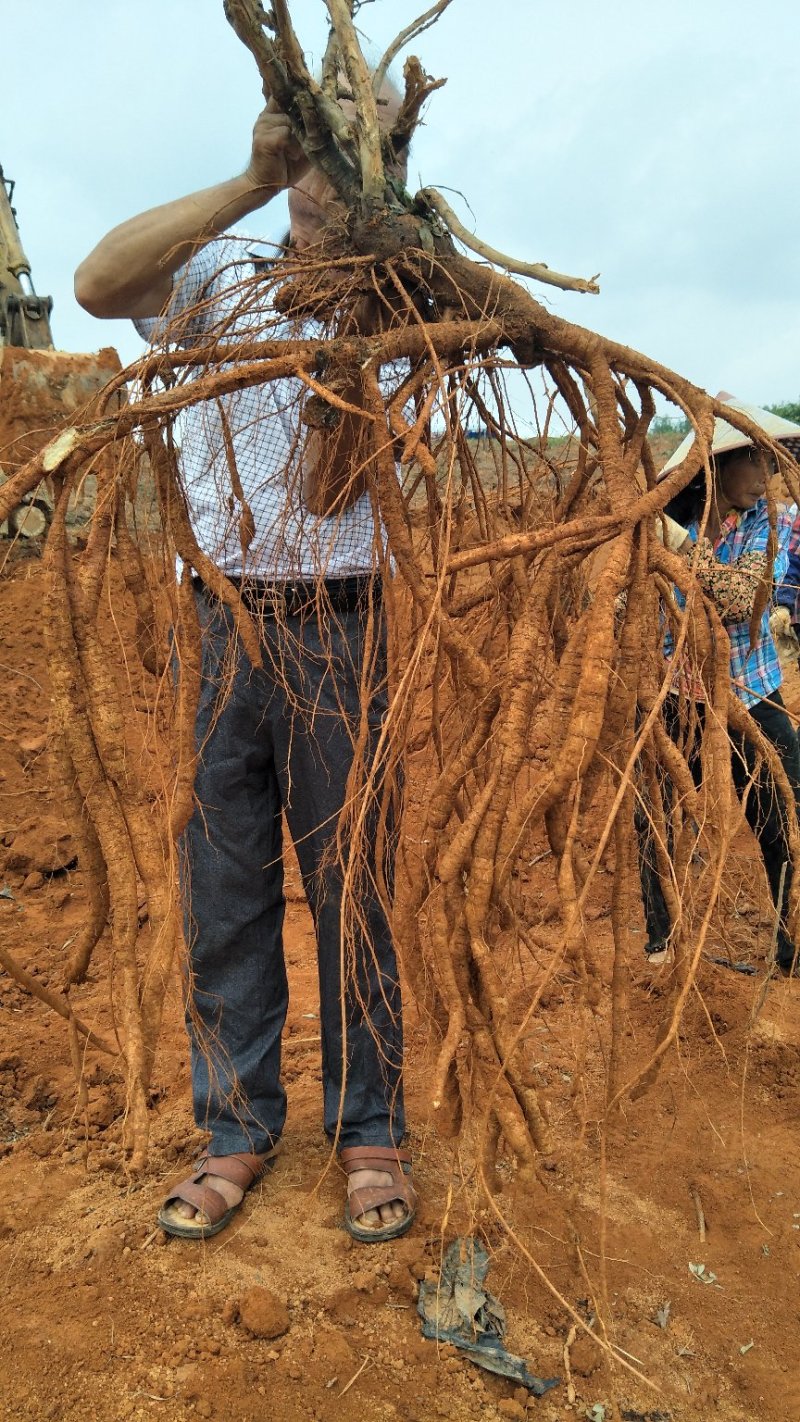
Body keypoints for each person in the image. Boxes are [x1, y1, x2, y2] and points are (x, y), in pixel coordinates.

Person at [74, 97, 417, 1242]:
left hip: (340, 626)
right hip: (218, 628)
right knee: (224, 893)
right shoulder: (214, 266)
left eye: (361, 156)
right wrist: (248, 182)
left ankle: (369, 1128)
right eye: (316, 155)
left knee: (353, 887)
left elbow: (331, 490)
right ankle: (235, 1130)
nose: (328, 182)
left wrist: (355, 330)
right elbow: (93, 284)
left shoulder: (410, 292)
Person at [638, 397, 800, 974]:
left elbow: (740, 599)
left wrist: (679, 548)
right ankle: (662, 941)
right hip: (674, 691)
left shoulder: (774, 522)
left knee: (784, 810)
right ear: (715, 463)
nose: (766, 476)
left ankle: (792, 943)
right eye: (754, 461)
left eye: (769, 462)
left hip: (751, 690)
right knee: (654, 816)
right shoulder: (664, 518)